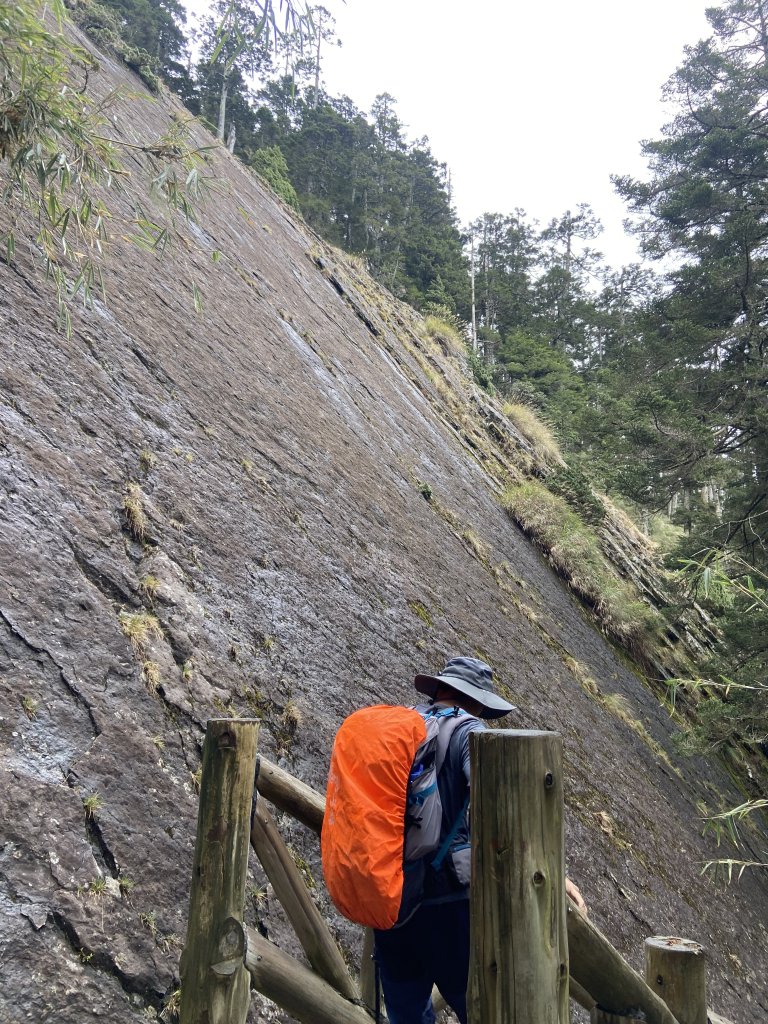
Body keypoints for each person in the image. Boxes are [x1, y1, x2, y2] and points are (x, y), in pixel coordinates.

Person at [372, 656, 586, 1024]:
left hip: (391, 903)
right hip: (448, 909)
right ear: (474, 700)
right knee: (484, 1011)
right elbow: (498, 802)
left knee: (406, 1015)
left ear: (438, 689)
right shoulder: (468, 731)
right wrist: (553, 874)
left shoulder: (400, 725)